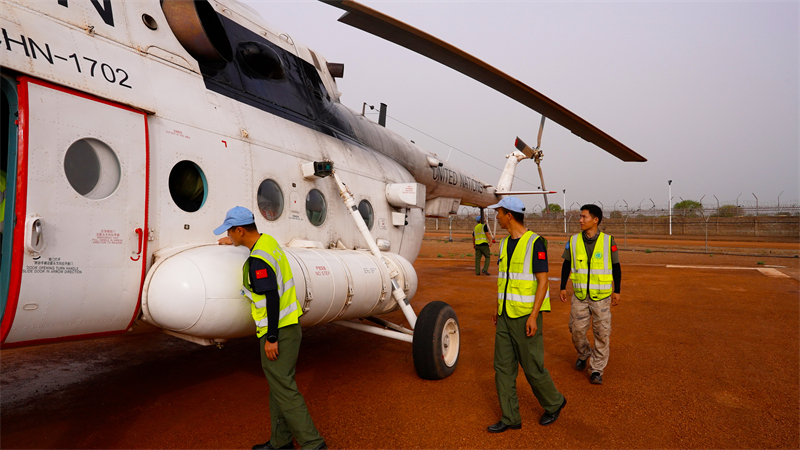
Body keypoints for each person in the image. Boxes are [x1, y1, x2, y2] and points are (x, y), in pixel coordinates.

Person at [214, 206, 327, 450]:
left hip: (279, 331)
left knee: (285, 390)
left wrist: (272, 337)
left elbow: (272, 298)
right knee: (279, 385)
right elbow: (255, 250)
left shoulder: (258, 261)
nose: (229, 236)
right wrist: (234, 243)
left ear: (240, 230)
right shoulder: (267, 242)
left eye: (230, 232)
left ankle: (313, 444)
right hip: (289, 325)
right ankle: (281, 442)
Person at [486, 197, 566, 433]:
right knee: (502, 367)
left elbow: (543, 282)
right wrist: (496, 305)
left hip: (524, 316)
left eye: (499, 212)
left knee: (532, 367)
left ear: (509, 215)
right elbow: (505, 280)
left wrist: (533, 316)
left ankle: (554, 402)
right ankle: (510, 417)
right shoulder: (503, 244)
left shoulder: (535, 243)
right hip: (504, 314)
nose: (497, 217)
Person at [559, 204, 621, 385]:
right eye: (580, 216)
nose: (580, 220)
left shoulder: (608, 241)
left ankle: (596, 369)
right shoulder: (573, 241)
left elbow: (616, 267)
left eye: (584, 217)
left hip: (601, 297)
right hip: (579, 295)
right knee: (576, 330)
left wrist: (617, 290)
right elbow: (566, 264)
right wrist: (562, 286)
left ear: (595, 220)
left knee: (602, 333)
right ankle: (584, 353)